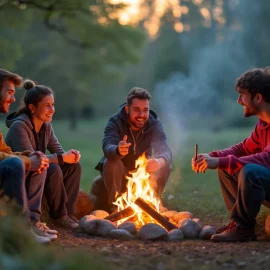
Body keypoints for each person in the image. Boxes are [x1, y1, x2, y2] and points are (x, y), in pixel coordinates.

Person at [192, 67, 270, 242]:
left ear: (258, 98)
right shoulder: (263, 124)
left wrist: (221, 161)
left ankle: (242, 227)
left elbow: (266, 158)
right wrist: (212, 156)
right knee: (228, 168)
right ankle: (239, 223)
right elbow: (244, 148)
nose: (238, 100)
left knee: (250, 172)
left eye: (242, 95)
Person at [5, 79, 81, 229]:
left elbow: (58, 152)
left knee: (74, 166)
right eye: (47, 106)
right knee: (53, 169)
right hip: (22, 173)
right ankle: (60, 217)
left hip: (39, 170)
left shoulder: (47, 126)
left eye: (52, 105)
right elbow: (32, 159)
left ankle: (70, 213)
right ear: (32, 108)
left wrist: (71, 155)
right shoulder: (19, 127)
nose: (52, 109)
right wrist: (61, 158)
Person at [92, 87, 172, 212]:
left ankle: (152, 203)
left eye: (145, 110)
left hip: (143, 173)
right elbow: (107, 146)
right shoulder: (115, 122)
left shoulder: (154, 124)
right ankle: (116, 208)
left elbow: (165, 149)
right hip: (120, 174)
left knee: (164, 164)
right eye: (136, 110)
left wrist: (159, 162)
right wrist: (118, 150)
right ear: (127, 109)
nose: (141, 115)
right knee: (111, 162)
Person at [0, 68, 53, 244]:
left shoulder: (47, 126)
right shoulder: (19, 126)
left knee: (40, 161)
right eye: (9, 92)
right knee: (16, 164)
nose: (14, 99)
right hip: (10, 168)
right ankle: (21, 232)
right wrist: (26, 160)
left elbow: (5, 152)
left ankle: (34, 222)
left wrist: (31, 156)